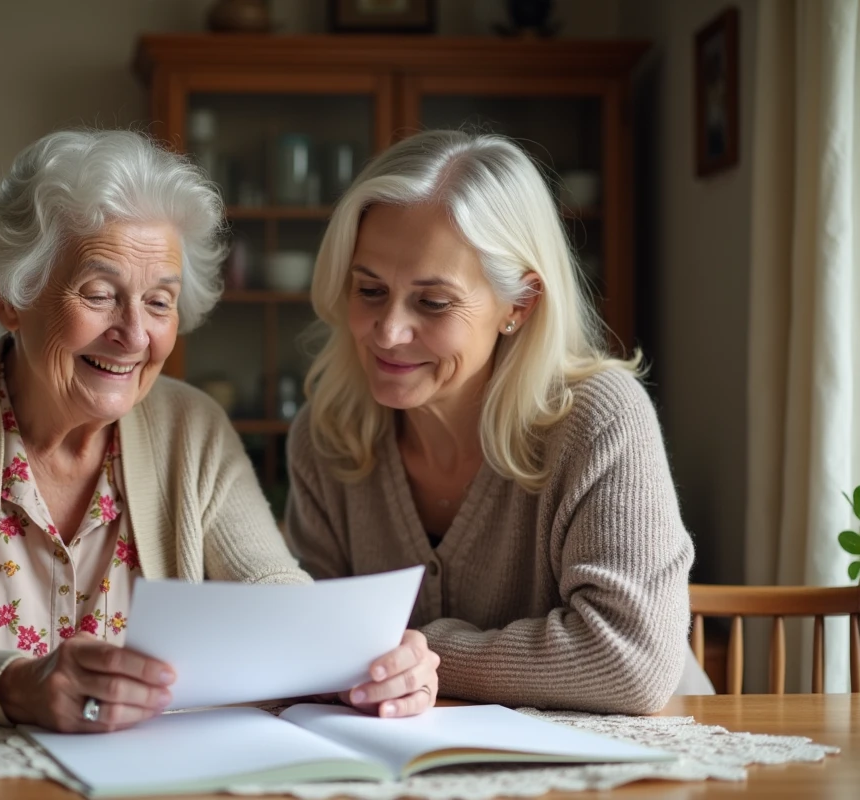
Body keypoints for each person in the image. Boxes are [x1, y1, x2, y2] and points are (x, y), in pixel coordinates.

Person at [0, 130, 437, 733]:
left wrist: (364, 662)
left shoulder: (192, 429)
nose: (134, 335)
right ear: (11, 297)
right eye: (100, 293)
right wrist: (16, 686)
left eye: (160, 302)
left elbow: (271, 592)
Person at [286, 129, 711, 715]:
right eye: (370, 289)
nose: (387, 332)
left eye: (432, 302)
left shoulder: (600, 420)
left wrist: (422, 656)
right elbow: (309, 640)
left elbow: (628, 660)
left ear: (519, 304)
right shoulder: (328, 433)